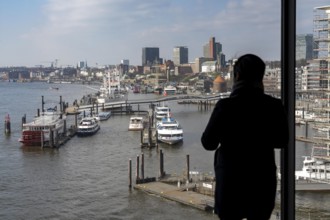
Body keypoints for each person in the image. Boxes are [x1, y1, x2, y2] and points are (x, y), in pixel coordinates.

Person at [201, 54, 288, 220]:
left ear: (237, 76)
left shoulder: (225, 107)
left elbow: (208, 143)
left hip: (230, 181)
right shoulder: (274, 106)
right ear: (261, 76)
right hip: (262, 180)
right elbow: (282, 141)